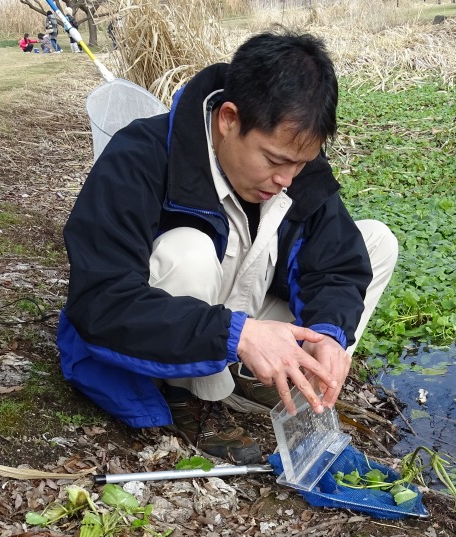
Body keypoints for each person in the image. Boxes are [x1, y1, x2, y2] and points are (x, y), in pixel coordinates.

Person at [58, 31, 398, 465]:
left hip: (234, 306)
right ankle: (195, 395)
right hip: (154, 327)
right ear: (228, 119)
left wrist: (329, 333)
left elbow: (337, 262)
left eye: (301, 163)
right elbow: (101, 302)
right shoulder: (137, 157)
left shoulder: (292, 160)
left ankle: (286, 372)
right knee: (190, 251)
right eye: (275, 161)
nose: (286, 180)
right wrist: (235, 333)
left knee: (376, 242)